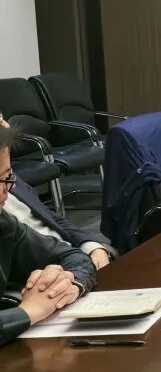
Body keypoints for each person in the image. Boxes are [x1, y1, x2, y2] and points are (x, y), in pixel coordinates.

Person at [0, 125, 96, 345]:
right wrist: (29, 311)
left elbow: (73, 256)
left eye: (7, 176)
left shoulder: (3, 223)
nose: (7, 190)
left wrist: (67, 285)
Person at [0, 114, 114, 270]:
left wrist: (91, 246)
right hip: (48, 272)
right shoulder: (8, 223)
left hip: (71, 257)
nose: (6, 125)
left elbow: (51, 217)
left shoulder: (10, 179)